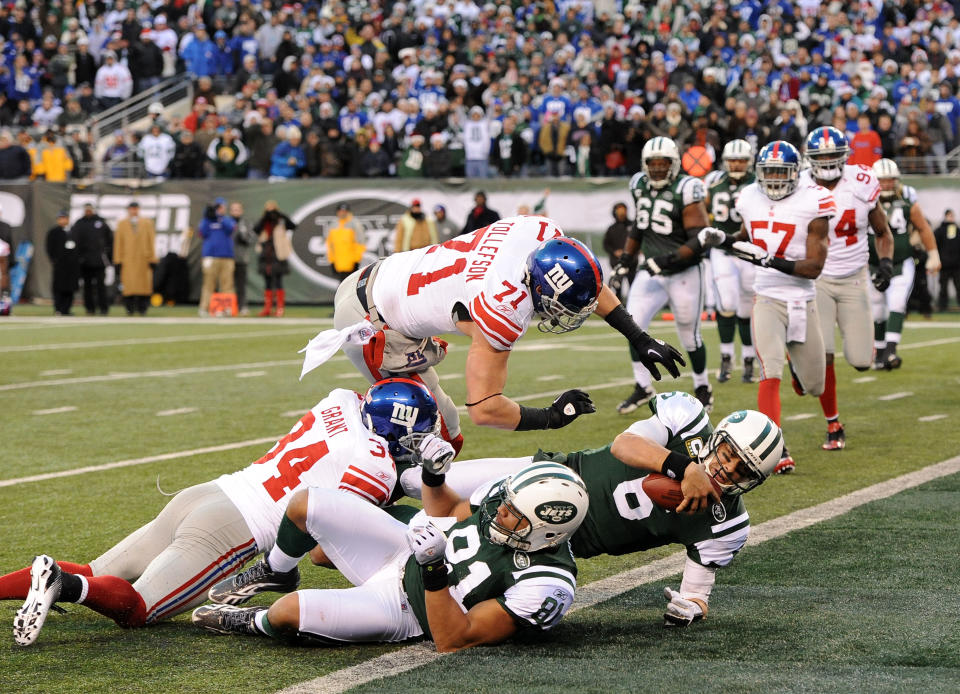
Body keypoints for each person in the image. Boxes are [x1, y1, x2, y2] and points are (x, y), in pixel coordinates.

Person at [6, 379, 441, 646]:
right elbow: (327, 547)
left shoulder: (341, 400)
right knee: (138, 609)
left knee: (98, 568)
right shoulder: (375, 467)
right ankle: (60, 583)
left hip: (208, 492)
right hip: (229, 530)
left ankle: (41, 579)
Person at [399, 392, 784, 627]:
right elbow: (624, 445)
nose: (729, 468)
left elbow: (699, 591)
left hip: (550, 538)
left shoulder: (727, 522)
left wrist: (690, 606)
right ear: (718, 438)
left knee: (446, 530)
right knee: (416, 481)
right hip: (548, 471)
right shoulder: (689, 421)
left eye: (743, 469)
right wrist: (684, 467)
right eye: (730, 454)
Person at [320, 214, 684, 456]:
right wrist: (550, 417)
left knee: (441, 432)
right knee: (430, 434)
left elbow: (586, 286)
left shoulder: (540, 235)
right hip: (371, 322)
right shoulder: (503, 307)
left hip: (383, 278)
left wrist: (638, 336)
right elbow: (484, 407)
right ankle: (369, 503)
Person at [193, 458, 588, 653]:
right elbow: (448, 512)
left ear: (547, 531)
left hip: (408, 608)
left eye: (514, 515)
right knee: (305, 505)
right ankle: (277, 570)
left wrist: (434, 568)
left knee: (284, 613)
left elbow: (453, 639)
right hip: (405, 546)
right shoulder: (507, 500)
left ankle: (252, 621)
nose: (501, 512)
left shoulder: (546, 583)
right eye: (506, 503)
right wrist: (434, 477)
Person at [701, 140, 834, 474]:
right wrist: (726, 240)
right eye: (769, 171)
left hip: (802, 298)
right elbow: (748, 236)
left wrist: (770, 260)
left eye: (781, 171)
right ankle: (777, 449)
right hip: (767, 296)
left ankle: (800, 373)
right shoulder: (748, 198)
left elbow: (815, 266)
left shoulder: (814, 199)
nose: (774, 178)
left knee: (814, 385)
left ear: (795, 172)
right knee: (769, 370)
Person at [800, 127, 893, 451]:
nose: (826, 160)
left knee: (861, 360)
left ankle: (802, 363)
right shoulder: (800, 185)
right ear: (810, 159)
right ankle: (833, 422)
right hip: (818, 279)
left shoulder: (862, 181)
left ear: (844, 155)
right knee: (824, 357)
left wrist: (885, 263)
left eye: (831, 154)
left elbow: (882, 230)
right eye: (820, 155)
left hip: (854, 277)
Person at [611, 136, 715, 415]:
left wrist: (666, 259)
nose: (657, 169)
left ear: (674, 164)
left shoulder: (687, 188)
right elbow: (639, 227)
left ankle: (703, 386)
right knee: (632, 326)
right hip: (652, 271)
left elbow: (701, 238)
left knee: (689, 334)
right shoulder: (639, 185)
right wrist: (624, 263)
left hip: (684, 271)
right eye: (652, 164)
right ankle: (643, 387)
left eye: (663, 163)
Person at [870, 159, 941, 368]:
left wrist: (933, 254)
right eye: (881, 180)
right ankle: (880, 354)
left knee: (897, 303)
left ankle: (890, 352)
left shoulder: (907, 198)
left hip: (901, 262)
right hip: (872, 263)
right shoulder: (864, 201)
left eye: (890, 180)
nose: (886, 184)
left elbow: (924, 227)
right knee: (877, 310)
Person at [705, 140, 758, 384]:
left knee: (747, 305)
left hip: (749, 250)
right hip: (722, 250)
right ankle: (727, 355)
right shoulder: (713, 182)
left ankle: (749, 358)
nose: (736, 164)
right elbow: (702, 209)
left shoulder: (757, 184)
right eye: (732, 160)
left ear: (749, 161)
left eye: (741, 160)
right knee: (726, 302)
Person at [113, 201, 157, 316]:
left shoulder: (147, 223)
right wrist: (117, 260)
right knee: (129, 286)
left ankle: (142, 308)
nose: (133, 211)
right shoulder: (122, 224)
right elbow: (118, 243)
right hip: (128, 259)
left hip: (143, 258)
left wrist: (153, 258)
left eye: (135, 208)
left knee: (143, 286)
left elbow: (151, 241)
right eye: (131, 208)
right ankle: (129, 308)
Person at [254, 201, 295, 317]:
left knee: (278, 281)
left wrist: (280, 215)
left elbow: (293, 226)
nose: (271, 211)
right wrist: (264, 218)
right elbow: (256, 230)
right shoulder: (264, 221)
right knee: (267, 282)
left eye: (273, 209)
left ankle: (280, 308)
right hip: (266, 255)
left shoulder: (281, 221)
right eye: (268, 209)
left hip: (278, 254)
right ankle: (267, 308)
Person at [197, 198, 237, 316]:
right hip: (210, 256)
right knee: (208, 284)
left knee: (227, 284)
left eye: (222, 207)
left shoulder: (227, 220)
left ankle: (227, 308)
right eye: (218, 207)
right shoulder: (207, 220)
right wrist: (207, 216)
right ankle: (204, 308)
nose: (220, 209)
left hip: (226, 256)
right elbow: (202, 233)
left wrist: (219, 217)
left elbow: (230, 229)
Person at [73, 202, 113, 315]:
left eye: (90, 209)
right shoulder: (79, 223)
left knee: (101, 286)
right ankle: (89, 308)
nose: (88, 211)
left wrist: (109, 257)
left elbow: (109, 240)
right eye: (86, 209)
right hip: (85, 261)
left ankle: (103, 308)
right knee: (87, 286)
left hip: (99, 261)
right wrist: (79, 258)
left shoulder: (101, 222)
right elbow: (75, 241)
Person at [45, 210, 80, 315]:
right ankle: (58, 309)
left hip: (72, 266)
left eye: (64, 218)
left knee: (70, 288)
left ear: (68, 219)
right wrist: (54, 260)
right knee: (59, 287)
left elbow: (79, 247)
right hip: (60, 265)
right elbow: (49, 248)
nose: (62, 220)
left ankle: (67, 309)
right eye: (60, 218)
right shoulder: (54, 232)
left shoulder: (73, 231)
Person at [325, 203, 365, 282]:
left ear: (348, 212)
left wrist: (356, 259)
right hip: (338, 262)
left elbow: (360, 243)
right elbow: (330, 244)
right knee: (342, 286)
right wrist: (332, 260)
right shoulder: (333, 225)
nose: (342, 213)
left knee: (351, 285)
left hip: (351, 262)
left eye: (344, 211)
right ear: (337, 212)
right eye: (340, 211)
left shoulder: (354, 224)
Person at [602, 202, 633, 301]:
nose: (621, 212)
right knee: (617, 286)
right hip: (617, 262)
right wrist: (615, 252)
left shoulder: (632, 226)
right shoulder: (612, 229)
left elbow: (638, 241)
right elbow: (606, 245)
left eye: (623, 209)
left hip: (631, 261)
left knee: (633, 285)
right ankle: (619, 307)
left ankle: (634, 305)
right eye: (619, 210)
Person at [229, 202, 255, 316]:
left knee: (241, 285)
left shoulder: (245, 223)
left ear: (241, 211)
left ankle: (242, 306)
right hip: (227, 258)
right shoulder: (226, 223)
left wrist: (243, 233)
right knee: (227, 285)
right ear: (230, 211)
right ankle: (227, 306)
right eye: (234, 209)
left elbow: (250, 240)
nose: (236, 212)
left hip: (241, 258)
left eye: (237, 209)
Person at [935, 209, 960, 312]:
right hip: (944, 264)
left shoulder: (957, 230)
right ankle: (942, 306)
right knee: (943, 287)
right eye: (949, 216)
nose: (951, 218)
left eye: (952, 216)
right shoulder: (940, 230)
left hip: (956, 265)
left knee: (959, 286)